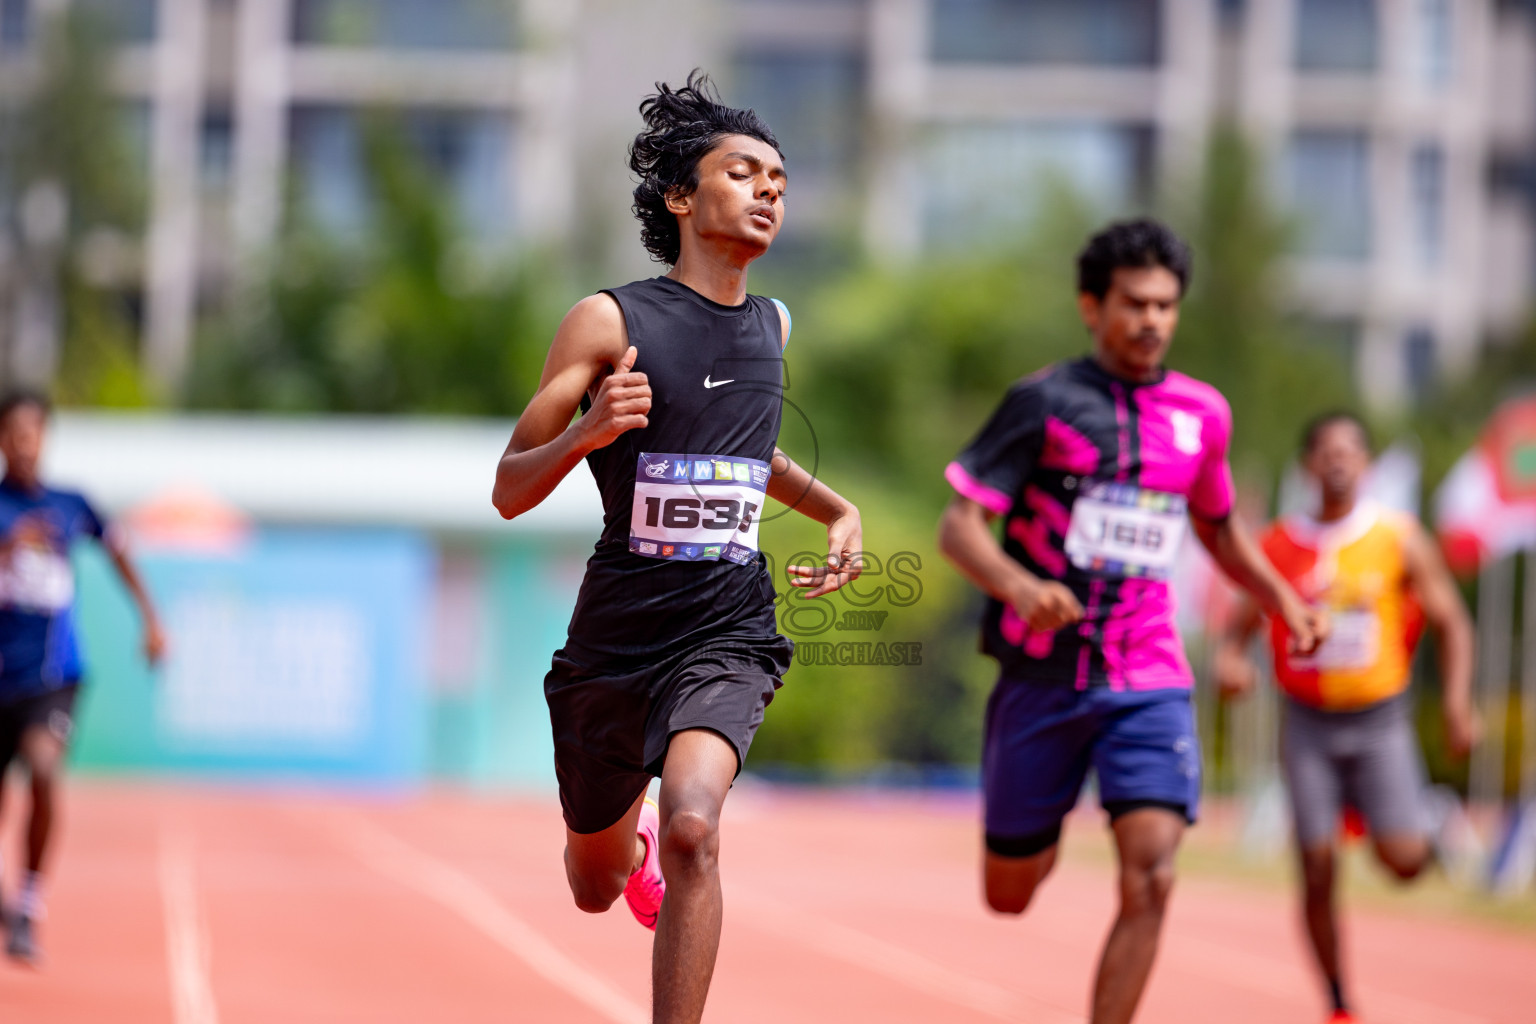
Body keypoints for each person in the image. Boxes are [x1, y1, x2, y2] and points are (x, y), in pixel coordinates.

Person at [490, 72, 860, 1024]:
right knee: (592, 884)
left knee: (698, 826)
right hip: (617, 635)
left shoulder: (773, 324)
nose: (771, 189)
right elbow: (507, 488)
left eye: (779, 177)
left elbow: (748, 456)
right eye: (745, 172)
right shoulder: (608, 321)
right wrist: (585, 434)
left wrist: (838, 511)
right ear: (682, 198)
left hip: (726, 626)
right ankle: (630, 841)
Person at [937, 218, 1326, 1024]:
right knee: (1010, 891)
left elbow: (1217, 528)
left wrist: (1283, 599)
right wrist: (1018, 586)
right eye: (1135, 304)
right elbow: (960, 525)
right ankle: (1032, 826)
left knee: (1152, 873)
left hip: (1146, 673)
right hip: (1041, 674)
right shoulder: (1043, 402)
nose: (1152, 321)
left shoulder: (1201, 415)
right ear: (1092, 305)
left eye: (1166, 306)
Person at [1214, 411, 1475, 1024]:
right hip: (1308, 723)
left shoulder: (1398, 537)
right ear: (1307, 464)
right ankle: (1336, 999)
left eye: (1350, 451)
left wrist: (1459, 700)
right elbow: (1237, 627)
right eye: (1325, 452)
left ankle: (1424, 825)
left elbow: (1452, 620)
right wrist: (1230, 663)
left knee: (1404, 862)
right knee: (1316, 863)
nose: (1337, 461)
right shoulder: (1278, 543)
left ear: (1367, 464)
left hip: (1380, 719)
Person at [0, 389, 165, 965]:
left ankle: (29, 904)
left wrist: (150, 618)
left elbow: (118, 550)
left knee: (43, 769)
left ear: (45, 438)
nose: (24, 445)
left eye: (34, 433)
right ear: (0, 440)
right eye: (14, 434)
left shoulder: (72, 506)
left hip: (52, 674)